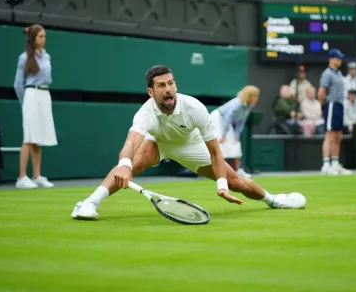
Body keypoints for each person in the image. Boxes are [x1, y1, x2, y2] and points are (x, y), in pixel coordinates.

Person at [72, 66, 306, 220]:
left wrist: (221, 184)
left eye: (171, 83)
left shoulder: (195, 108)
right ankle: (88, 204)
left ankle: (274, 200)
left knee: (237, 182)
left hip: (190, 146)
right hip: (159, 142)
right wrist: (124, 163)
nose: (168, 89)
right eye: (161, 86)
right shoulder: (145, 113)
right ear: (151, 92)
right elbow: (131, 141)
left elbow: (215, 152)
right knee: (136, 162)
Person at [13, 24, 57, 189]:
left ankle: (37, 176)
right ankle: (22, 177)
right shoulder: (24, 58)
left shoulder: (47, 56)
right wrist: (24, 102)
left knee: (39, 138)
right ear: (33, 39)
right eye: (40, 36)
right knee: (29, 138)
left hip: (44, 95)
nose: (43, 39)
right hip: (31, 95)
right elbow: (18, 84)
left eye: (44, 36)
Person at [209, 85, 260, 178]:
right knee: (219, 144)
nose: (257, 99)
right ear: (249, 96)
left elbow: (241, 122)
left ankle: (238, 170)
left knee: (235, 143)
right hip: (217, 118)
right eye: (254, 96)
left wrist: (236, 136)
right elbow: (228, 118)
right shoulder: (237, 104)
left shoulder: (249, 106)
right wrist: (223, 135)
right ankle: (218, 170)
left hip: (226, 122)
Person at [318, 49, 353, 175]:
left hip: (339, 105)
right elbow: (321, 93)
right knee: (330, 135)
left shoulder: (338, 73)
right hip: (331, 104)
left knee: (338, 135)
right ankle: (326, 164)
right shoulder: (327, 73)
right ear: (331, 59)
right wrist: (323, 107)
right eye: (338, 58)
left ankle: (335, 163)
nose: (340, 60)